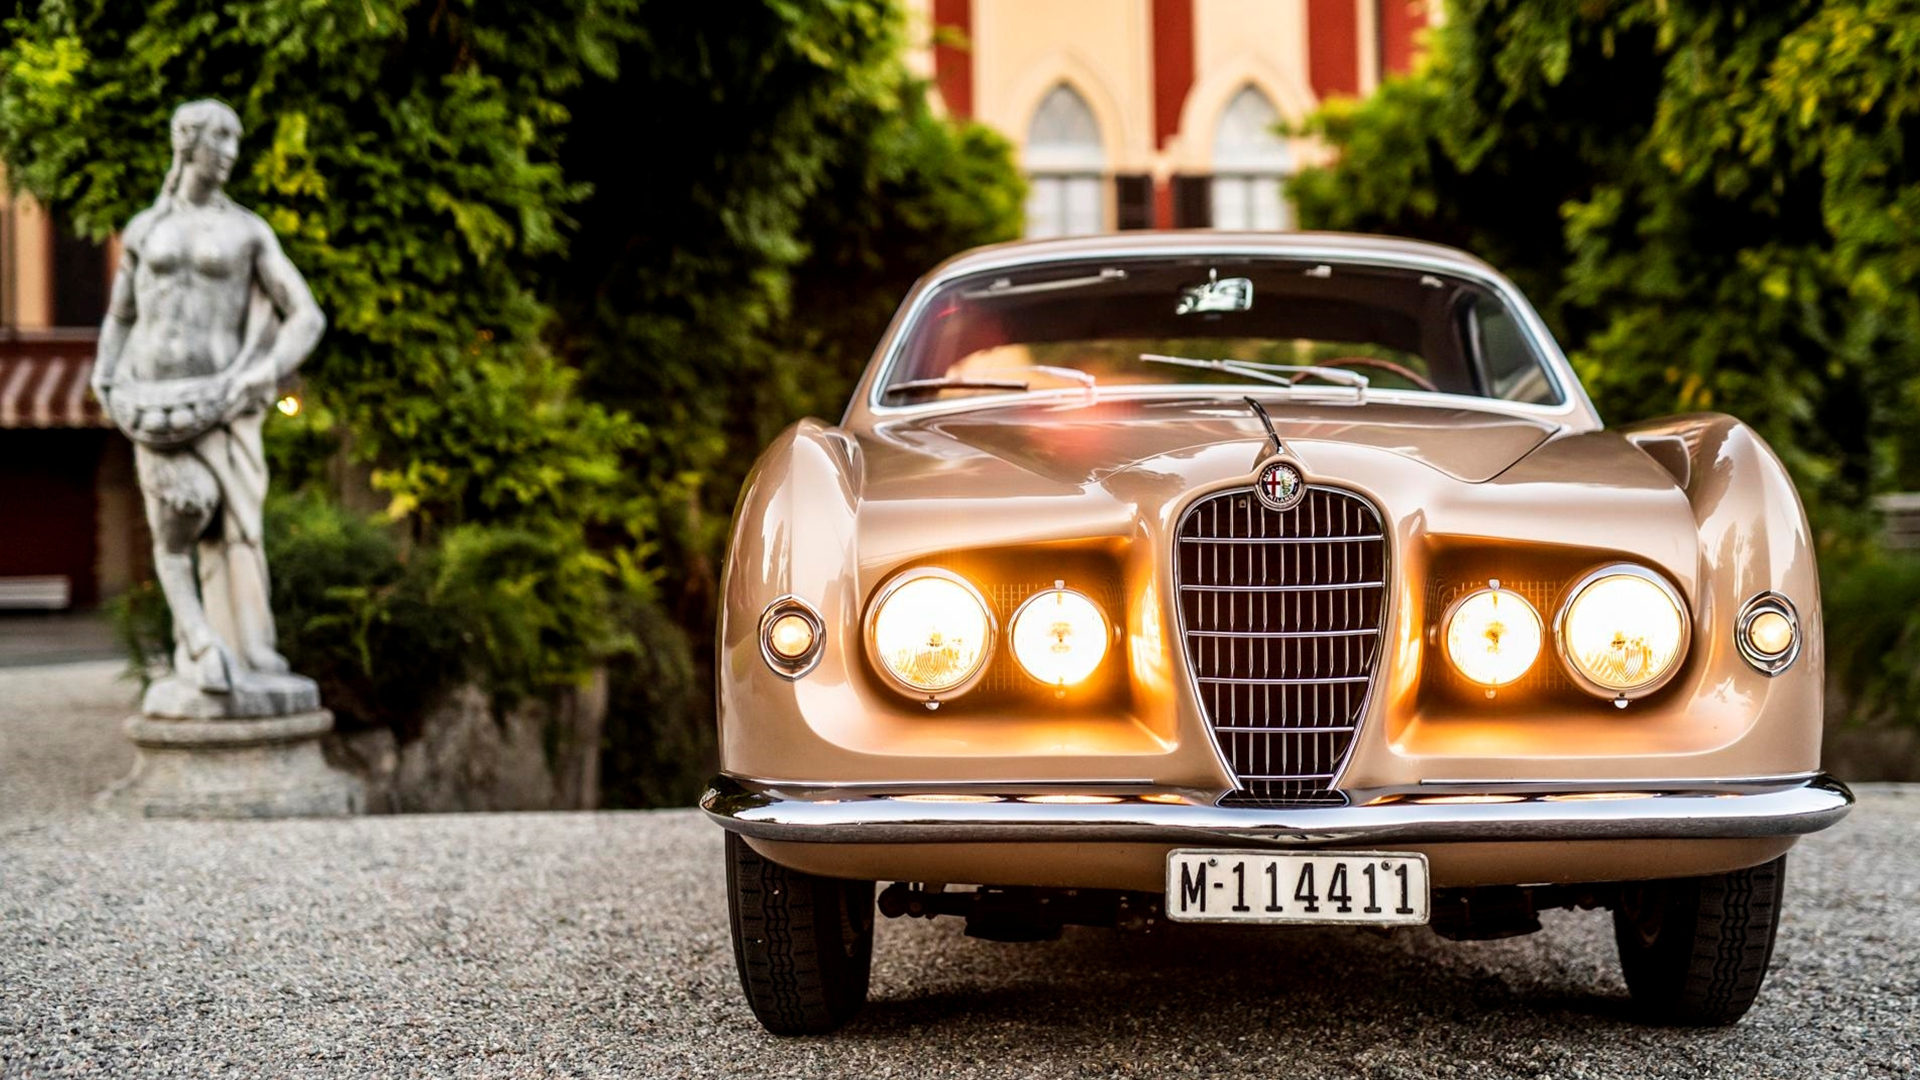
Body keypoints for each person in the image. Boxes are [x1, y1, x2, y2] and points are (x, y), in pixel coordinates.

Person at [91, 99, 326, 696]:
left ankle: (248, 649)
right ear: (186, 141)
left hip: (225, 400)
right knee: (181, 510)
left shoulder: (248, 230)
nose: (229, 152)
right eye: (219, 138)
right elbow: (121, 315)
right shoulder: (147, 228)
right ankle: (197, 640)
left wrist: (266, 370)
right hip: (152, 400)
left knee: (240, 530)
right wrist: (105, 370)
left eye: (236, 141)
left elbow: (307, 316)